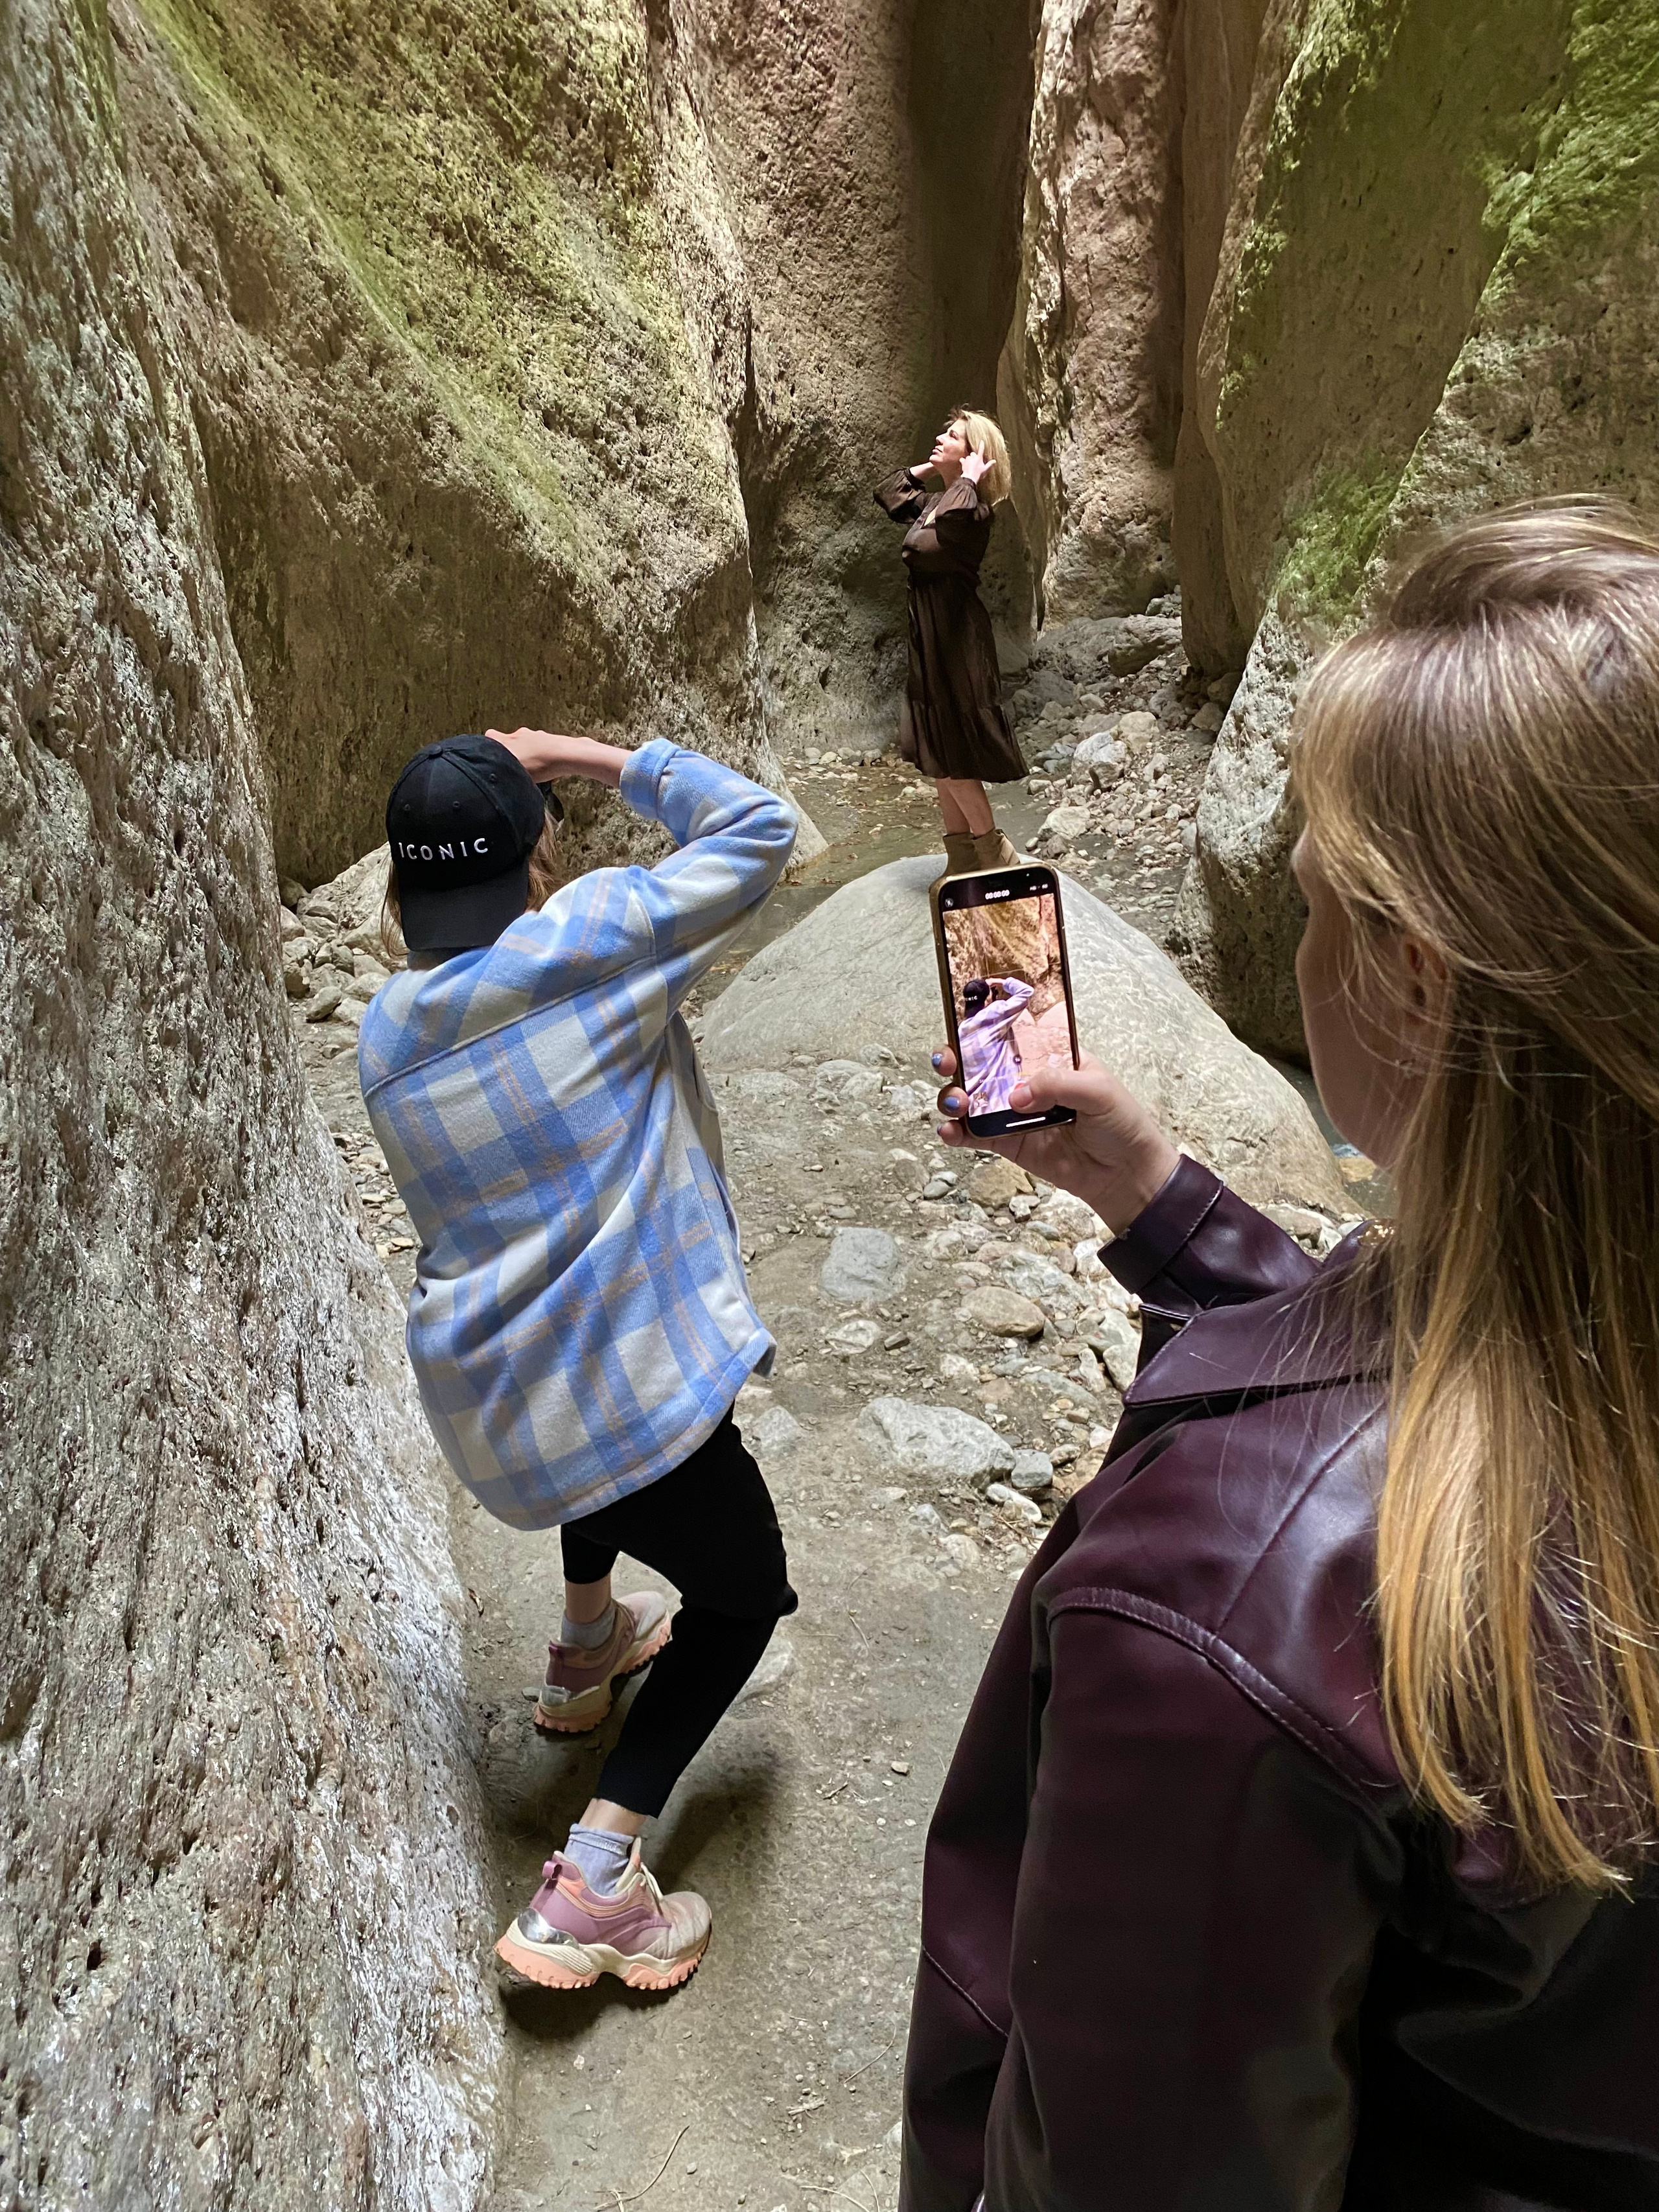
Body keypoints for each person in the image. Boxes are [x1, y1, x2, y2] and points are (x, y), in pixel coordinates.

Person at [901, 501, 1659, 2208]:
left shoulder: (1226, 1595)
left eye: (1315, 900)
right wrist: (1164, 1204)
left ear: (1406, 982)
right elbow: (1474, 1353)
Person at [358, 727, 799, 1994]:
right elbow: (761, 831)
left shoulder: (385, 1039)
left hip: (500, 1412)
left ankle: (584, 1641)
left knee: (584, 1394)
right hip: (627, 1404)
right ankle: (592, 1883)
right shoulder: (595, 938)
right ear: (538, 855)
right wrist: (587, 756)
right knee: (741, 1596)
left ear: (397, 890)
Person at [875, 410, 1025, 881]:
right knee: (939, 750)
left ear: (976, 454)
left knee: (955, 752)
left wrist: (972, 474)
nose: (940, 437)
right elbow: (887, 492)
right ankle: (961, 860)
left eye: (953, 436)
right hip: (930, 637)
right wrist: (932, 467)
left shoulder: (973, 510)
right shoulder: (934, 503)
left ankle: (997, 856)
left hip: (957, 641)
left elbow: (959, 513)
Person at [955, 975, 1032, 1116]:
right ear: (986, 1001)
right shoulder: (994, 1014)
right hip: (1007, 1102)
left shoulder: (960, 1032)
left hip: (979, 1108)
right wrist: (1000, 982)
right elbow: (1026, 992)